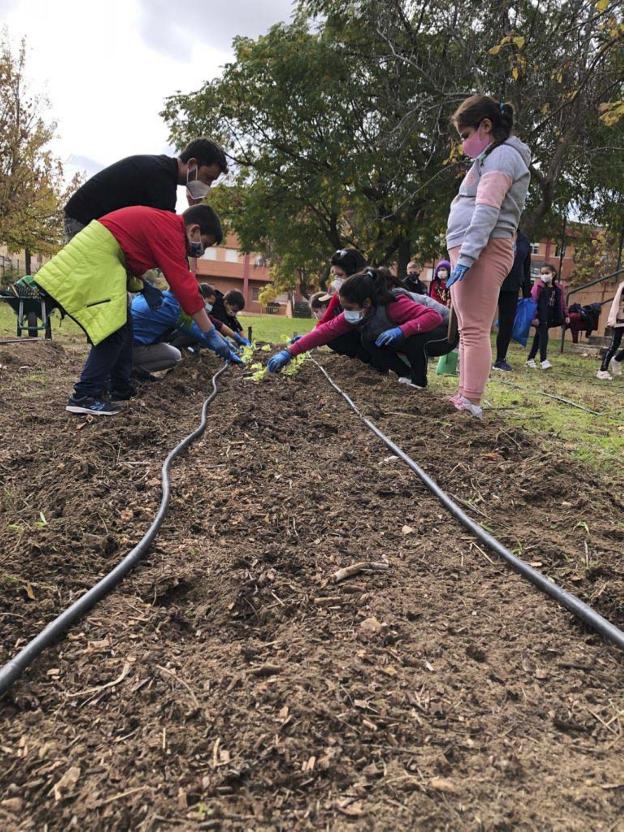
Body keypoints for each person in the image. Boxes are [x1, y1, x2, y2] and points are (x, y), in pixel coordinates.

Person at [35, 204, 228, 416]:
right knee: (113, 333)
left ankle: (120, 389)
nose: (202, 250)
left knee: (125, 332)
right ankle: (84, 395)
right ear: (194, 230)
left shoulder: (166, 226)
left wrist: (143, 286)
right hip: (96, 260)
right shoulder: (171, 231)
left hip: (102, 259)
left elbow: (132, 255)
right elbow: (184, 285)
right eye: (206, 244)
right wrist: (210, 332)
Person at [445, 94, 531, 418]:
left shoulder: (502, 158)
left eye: (466, 136)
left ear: (486, 126)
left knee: (475, 328)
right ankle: (464, 396)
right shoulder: (491, 157)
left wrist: (467, 256)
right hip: (474, 248)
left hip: (483, 249)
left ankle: (471, 400)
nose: (464, 144)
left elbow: (487, 210)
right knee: (468, 327)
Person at [267, 267, 447, 388]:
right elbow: (325, 331)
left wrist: (402, 330)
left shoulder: (394, 303)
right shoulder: (363, 309)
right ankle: (406, 374)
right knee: (368, 339)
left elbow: (433, 317)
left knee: (412, 337)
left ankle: (418, 381)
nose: (346, 313)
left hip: (445, 331)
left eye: (349, 308)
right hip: (423, 328)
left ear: (366, 302)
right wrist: (290, 352)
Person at [63, 138, 228, 240]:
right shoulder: (162, 181)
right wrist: (194, 209)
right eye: (207, 178)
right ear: (192, 165)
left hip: (90, 221)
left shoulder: (163, 171)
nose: (207, 186)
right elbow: (168, 237)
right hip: (83, 220)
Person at [132, 284, 243, 375]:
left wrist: (230, 342)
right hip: (132, 348)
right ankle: (134, 371)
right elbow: (203, 333)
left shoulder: (160, 296)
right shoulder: (173, 309)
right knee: (174, 356)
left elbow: (211, 324)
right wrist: (227, 351)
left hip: (122, 342)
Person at [314, 248, 369, 361]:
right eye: (334, 275)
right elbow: (325, 321)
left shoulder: (371, 292)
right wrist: (310, 338)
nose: (336, 280)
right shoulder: (340, 295)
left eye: (340, 275)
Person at [168, 283, 250, 353]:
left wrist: (239, 338)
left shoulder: (206, 310)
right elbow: (211, 328)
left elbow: (217, 324)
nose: (209, 307)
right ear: (200, 297)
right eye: (209, 303)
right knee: (198, 332)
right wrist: (225, 342)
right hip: (170, 337)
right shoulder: (189, 309)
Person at [494, 229, 533, 370]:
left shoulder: (523, 240)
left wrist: (527, 293)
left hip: (512, 286)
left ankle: (500, 359)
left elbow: (526, 267)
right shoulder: (496, 231)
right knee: (482, 321)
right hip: (492, 282)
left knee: (507, 323)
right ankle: (474, 356)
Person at [526, 265, 569, 369]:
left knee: (538, 336)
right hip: (540, 316)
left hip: (551, 316)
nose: (544, 275)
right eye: (542, 273)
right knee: (544, 336)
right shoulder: (538, 286)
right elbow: (533, 301)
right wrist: (534, 317)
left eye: (546, 273)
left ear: (553, 274)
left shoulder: (558, 288)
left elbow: (562, 303)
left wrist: (566, 315)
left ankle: (530, 359)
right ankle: (543, 360)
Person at [596, 280, 624, 380]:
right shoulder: (623, 287)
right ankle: (602, 370)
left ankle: (616, 360)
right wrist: (612, 319)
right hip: (620, 320)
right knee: (614, 344)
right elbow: (616, 302)